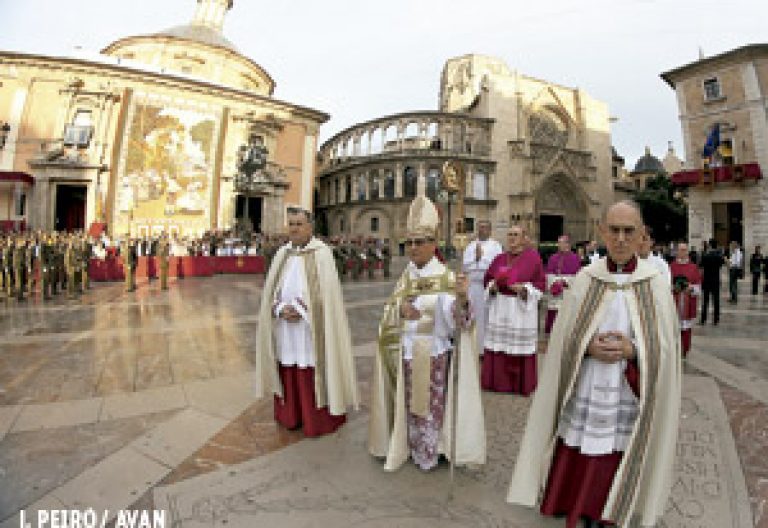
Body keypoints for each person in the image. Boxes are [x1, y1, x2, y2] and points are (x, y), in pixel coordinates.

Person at [507, 200, 681, 528]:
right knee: (580, 439)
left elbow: (667, 347)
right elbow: (563, 338)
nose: (620, 239)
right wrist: (585, 345)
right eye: (613, 230)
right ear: (601, 231)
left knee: (619, 443)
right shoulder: (587, 278)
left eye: (628, 231)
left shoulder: (655, 282)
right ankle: (572, 502)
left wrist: (635, 350)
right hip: (587, 380)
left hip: (626, 391)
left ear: (642, 234)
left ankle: (615, 507)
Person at [368, 196, 484, 471]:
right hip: (405, 352)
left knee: (430, 409)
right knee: (409, 405)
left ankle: (431, 451)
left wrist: (463, 299)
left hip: (433, 353)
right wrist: (400, 309)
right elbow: (391, 310)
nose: (413, 248)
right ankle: (408, 445)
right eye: (409, 242)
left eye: (419, 242)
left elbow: (460, 321)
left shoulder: (445, 277)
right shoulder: (407, 277)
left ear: (433, 245)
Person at [254, 207, 358, 437]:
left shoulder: (322, 253)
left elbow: (327, 294)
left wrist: (301, 310)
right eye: (291, 224)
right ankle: (290, 415)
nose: (294, 228)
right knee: (288, 366)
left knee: (311, 367)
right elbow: (271, 291)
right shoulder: (282, 254)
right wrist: (280, 308)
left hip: (312, 327)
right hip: (285, 327)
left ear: (310, 227)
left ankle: (317, 421)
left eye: (299, 224)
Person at [482, 225, 546, 395]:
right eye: (509, 234)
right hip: (500, 307)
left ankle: (519, 385)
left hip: (520, 310)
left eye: (516, 235)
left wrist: (524, 289)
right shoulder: (499, 258)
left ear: (524, 238)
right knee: (499, 346)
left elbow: (540, 285)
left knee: (518, 349)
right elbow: (487, 280)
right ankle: (497, 383)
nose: (511, 238)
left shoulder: (533, 259)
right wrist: (492, 287)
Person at [462, 220, 503, 355]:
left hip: (488, 288)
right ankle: (474, 348)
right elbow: (465, 266)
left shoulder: (496, 246)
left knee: (487, 318)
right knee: (473, 316)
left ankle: (486, 349)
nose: (482, 230)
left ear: (490, 230)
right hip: (473, 287)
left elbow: (497, 266)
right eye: (479, 228)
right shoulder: (470, 246)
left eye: (485, 228)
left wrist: (481, 260)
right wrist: (476, 259)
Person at [544, 235, 581, 334]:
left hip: (567, 292)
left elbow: (577, 277)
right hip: (554, 293)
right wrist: (554, 282)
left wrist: (564, 281)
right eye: (558, 242)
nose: (559, 245)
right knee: (553, 321)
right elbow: (548, 274)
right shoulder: (553, 258)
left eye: (562, 242)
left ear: (568, 244)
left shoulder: (575, 258)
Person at [670, 242, 702, 357]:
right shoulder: (671, 266)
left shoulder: (693, 267)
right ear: (677, 251)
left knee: (686, 328)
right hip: (674, 301)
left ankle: (685, 350)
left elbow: (698, 288)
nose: (682, 252)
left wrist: (690, 288)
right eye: (680, 250)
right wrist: (673, 287)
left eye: (684, 250)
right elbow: (665, 285)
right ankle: (674, 350)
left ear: (688, 251)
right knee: (673, 328)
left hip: (687, 302)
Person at [699, 238, 724, 326]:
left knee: (705, 301)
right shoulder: (718, 256)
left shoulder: (705, 256)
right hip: (716, 280)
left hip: (706, 280)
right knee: (716, 301)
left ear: (709, 245)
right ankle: (716, 319)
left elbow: (701, 265)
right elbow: (722, 264)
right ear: (716, 246)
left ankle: (703, 319)